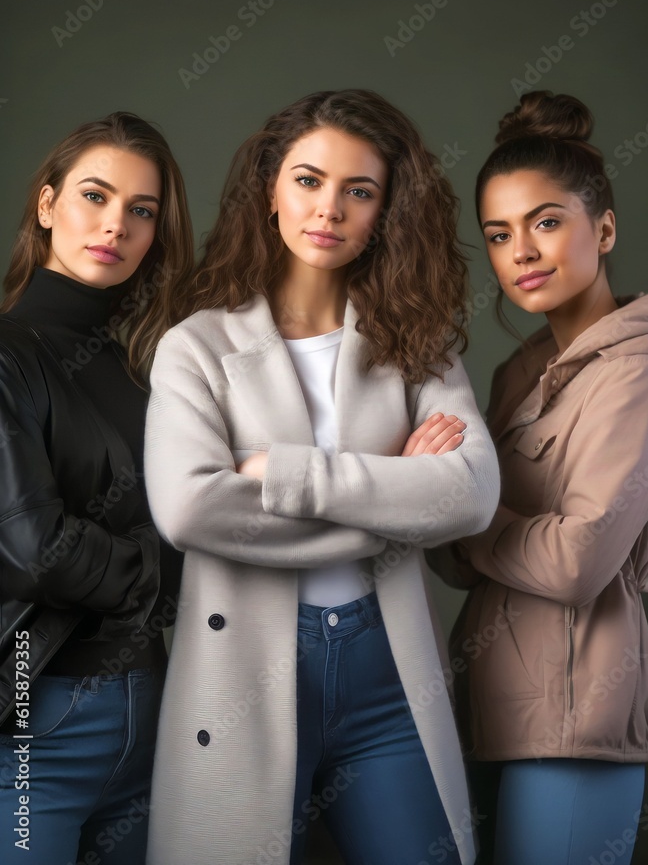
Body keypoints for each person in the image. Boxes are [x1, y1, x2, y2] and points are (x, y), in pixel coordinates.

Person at [143, 88, 500, 865]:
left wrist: (284, 474)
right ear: (270, 188)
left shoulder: (417, 342)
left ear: (386, 213)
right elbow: (191, 511)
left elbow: (470, 493)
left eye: (359, 191)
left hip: (387, 671)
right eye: (308, 180)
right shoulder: (195, 347)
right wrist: (394, 493)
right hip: (246, 675)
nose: (328, 208)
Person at [429, 90, 648, 865]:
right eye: (498, 235)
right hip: (490, 705)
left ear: (602, 228)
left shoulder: (640, 371)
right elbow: (452, 560)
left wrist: (465, 507)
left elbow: (577, 561)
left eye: (545, 222)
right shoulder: (515, 375)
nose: (521, 252)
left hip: (579, 717)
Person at [0, 111, 194, 865]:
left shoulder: (143, 371)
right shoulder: (8, 356)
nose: (114, 225)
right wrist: (179, 563)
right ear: (47, 206)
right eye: (94, 196)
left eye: (140, 211)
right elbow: (33, 551)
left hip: (155, 714)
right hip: (35, 715)